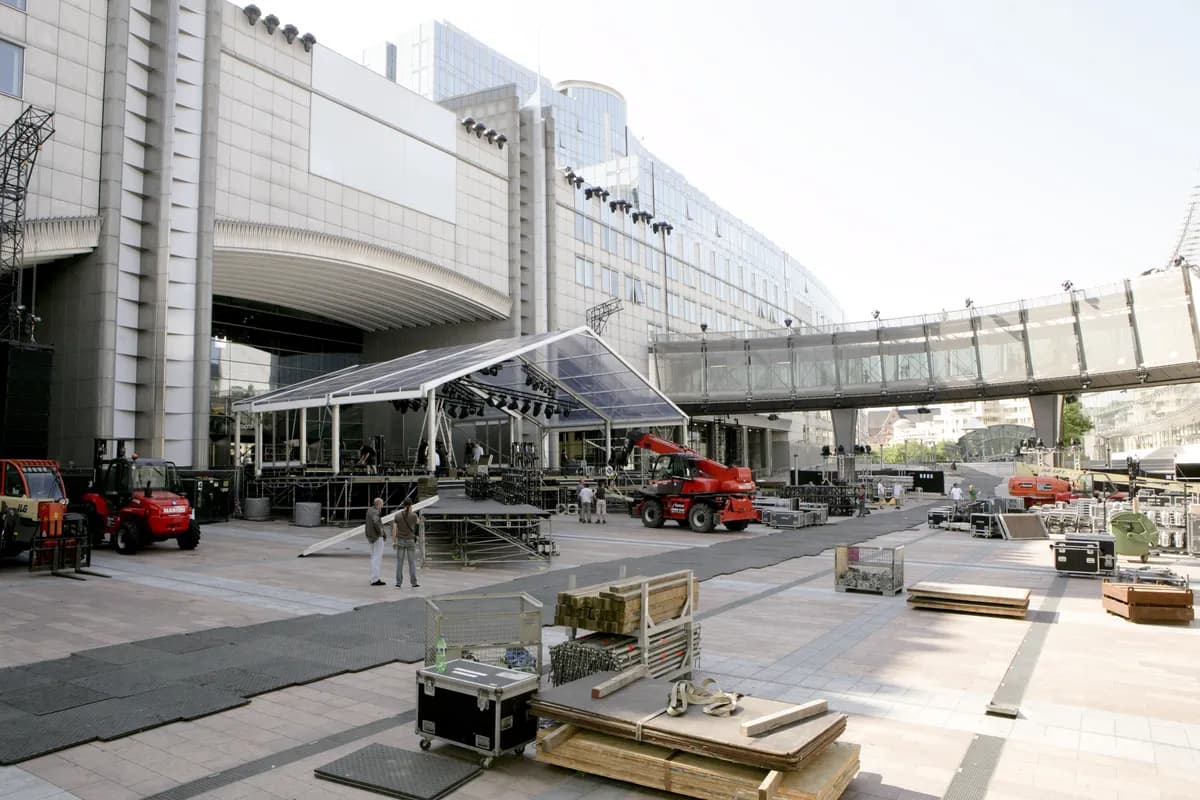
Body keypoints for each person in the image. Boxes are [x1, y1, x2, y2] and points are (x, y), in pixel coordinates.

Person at [392, 498, 420, 588]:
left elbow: (394, 529)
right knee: (411, 562)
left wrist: (394, 541)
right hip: (410, 541)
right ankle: (414, 583)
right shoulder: (414, 515)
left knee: (399, 563)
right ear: (411, 505)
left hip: (400, 540)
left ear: (403, 505)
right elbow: (418, 522)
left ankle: (398, 583)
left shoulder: (397, 516)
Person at [365, 497, 386, 586]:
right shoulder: (375, 512)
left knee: (374, 557)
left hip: (371, 537)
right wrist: (382, 533)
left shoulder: (369, 510)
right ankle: (375, 579)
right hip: (377, 537)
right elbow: (377, 523)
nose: (382, 506)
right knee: (377, 558)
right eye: (382, 504)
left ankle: (373, 578)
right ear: (379, 504)